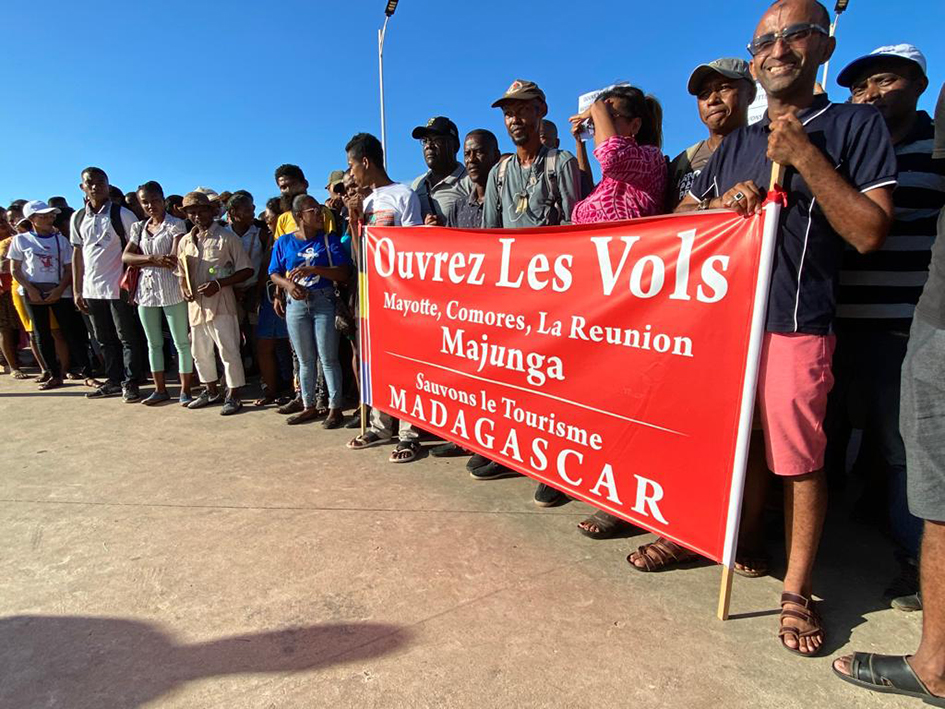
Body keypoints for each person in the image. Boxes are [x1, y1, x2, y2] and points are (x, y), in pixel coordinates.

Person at [672, 0, 897, 656]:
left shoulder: (855, 125)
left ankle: (796, 588)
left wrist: (803, 158)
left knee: (797, 458)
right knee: (727, 443)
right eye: (764, 39)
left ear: (821, 48)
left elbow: (867, 230)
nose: (778, 48)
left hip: (796, 321)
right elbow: (686, 216)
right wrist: (722, 203)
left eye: (794, 34)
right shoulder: (734, 142)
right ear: (752, 59)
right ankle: (716, 537)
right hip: (725, 325)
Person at [831, 80, 945, 708]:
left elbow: (871, 228)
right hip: (838, 318)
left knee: (907, 454)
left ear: (921, 87)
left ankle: (915, 562)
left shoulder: (931, 150)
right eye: (861, 81)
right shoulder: (848, 144)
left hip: (908, 326)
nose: (871, 90)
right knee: (849, 447)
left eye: (888, 78)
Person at [481, 79, 583, 507]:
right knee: (511, 380)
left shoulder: (560, 163)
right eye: (508, 112)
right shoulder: (499, 172)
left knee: (552, 384)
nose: (514, 119)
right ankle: (510, 453)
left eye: (522, 110)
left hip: (554, 297)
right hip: (511, 299)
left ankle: (554, 469)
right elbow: (488, 237)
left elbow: (581, 229)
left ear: (540, 110)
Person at [344, 132, 425, 462]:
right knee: (374, 360)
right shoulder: (364, 202)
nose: (350, 173)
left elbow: (415, 245)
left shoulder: (403, 195)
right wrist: (353, 216)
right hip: (369, 290)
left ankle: (409, 432)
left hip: (398, 294)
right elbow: (357, 253)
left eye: (351, 165)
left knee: (404, 360)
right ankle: (379, 423)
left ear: (366, 161)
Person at [268, 194, 350, 427]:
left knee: (328, 358)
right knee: (305, 359)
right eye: (312, 211)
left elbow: (344, 273)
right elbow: (274, 272)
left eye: (319, 210)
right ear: (298, 216)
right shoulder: (283, 242)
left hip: (323, 300)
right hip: (296, 304)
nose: (319, 214)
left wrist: (317, 269)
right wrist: (288, 286)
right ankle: (308, 405)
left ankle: (335, 408)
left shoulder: (328, 240)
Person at [70, 166, 146, 402]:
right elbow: (77, 255)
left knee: (127, 336)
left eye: (101, 181)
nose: (96, 186)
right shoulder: (78, 217)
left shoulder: (122, 215)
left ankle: (131, 382)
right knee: (103, 338)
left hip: (117, 287)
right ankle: (113, 380)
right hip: (91, 289)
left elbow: (136, 250)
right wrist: (77, 289)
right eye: (90, 182)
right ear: (82, 187)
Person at [177, 192, 253, 415]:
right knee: (199, 351)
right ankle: (210, 390)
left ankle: (234, 394)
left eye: (202, 211)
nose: (197, 216)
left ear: (212, 211)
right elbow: (181, 272)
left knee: (228, 349)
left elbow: (246, 269)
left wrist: (219, 284)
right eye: (192, 212)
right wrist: (184, 287)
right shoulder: (185, 241)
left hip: (221, 303)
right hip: (196, 306)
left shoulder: (227, 238)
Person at [121, 181, 193, 406]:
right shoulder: (139, 228)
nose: (150, 206)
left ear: (163, 200)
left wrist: (143, 260)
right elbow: (126, 257)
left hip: (172, 289)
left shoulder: (176, 225)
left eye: (154, 201)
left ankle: (185, 390)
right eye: (145, 202)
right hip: (147, 291)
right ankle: (160, 389)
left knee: (181, 341)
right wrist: (152, 259)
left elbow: (173, 258)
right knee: (154, 343)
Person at [8, 201, 89, 390]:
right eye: (42, 216)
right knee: (41, 334)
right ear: (32, 219)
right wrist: (31, 289)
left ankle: (86, 372)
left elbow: (70, 269)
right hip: (33, 292)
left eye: (50, 216)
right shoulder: (21, 240)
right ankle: (53, 374)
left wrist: (60, 290)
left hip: (59, 291)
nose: (48, 219)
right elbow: (16, 270)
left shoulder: (61, 240)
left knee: (70, 332)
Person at [568, 85, 666, 223]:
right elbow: (585, 185)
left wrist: (597, 107)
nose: (600, 126)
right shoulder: (608, 181)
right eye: (594, 123)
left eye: (609, 117)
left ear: (635, 125)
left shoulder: (651, 158)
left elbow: (611, 157)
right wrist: (580, 144)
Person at [667, 58, 756, 208]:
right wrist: (713, 204)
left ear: (750, 94)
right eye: (704, 94)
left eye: (724, 88)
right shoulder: (683, 163)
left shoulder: (768, 148)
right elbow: (667, 221)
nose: (712, 100)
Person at [227, 192, 268, 380]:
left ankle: (260, 369)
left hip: (253, 288)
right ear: (234, 212)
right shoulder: (224, 234)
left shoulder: (260, 233)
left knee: (255, 331)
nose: (252, 212)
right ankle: (240, 369)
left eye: (253, 208)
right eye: (247, 209)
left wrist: (258, 292)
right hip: (230, 290)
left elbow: (265, 265)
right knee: (233, 332)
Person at [410, 116, 467, 224]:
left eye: (436, 140)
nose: (428, 146)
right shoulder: (417, 185)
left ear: (455, 145)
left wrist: (446, 229)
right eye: (425, 140)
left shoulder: (469, 181)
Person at [444, 130, 501, 229]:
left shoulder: (508, 203)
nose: (471, 159)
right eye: (467, 154)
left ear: (496, 156)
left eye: (479, 152)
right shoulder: (458, 208)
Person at [0, 211, 26, 377]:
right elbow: (2, 266)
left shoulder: (18, 239)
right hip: (4, 291)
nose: (3, 225)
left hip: (19, 289)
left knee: (21, 328)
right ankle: (13, 366)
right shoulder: (7, 243)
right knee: (5, 329)